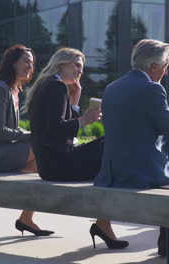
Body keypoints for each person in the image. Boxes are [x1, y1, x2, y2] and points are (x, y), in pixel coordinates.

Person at [94, 39, 169, 256]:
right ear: (153, 67)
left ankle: (168, 242)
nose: (166, 72)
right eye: (166, 66)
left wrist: (167, 120)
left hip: (113, 172)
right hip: (143, 173)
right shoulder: (152, 89)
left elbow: (133, 125)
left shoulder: (112, 88)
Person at [24, 48, 128, 248]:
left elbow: (56, 126)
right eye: (77, 65)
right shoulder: (56, 86)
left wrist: (76, 99)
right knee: (113, 145)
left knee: (111, 143)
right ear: (61, 64)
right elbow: (56, 129)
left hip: (50, 166)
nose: (80, 71)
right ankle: (103, 223)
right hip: (58, 165)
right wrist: (84, 120)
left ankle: (103, 223)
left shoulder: (49, 85)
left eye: (82, 67)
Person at [0, 44, 53, 236]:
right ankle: (24, 213)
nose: (30, 66)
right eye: (26, 61)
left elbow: (11, 130)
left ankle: (25, 216)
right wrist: (33, 135)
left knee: (40, 155)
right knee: (41, 149)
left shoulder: (12, 90)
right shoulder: (0, 89)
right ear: (12, 63)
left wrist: (29, 134)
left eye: (32, 63)